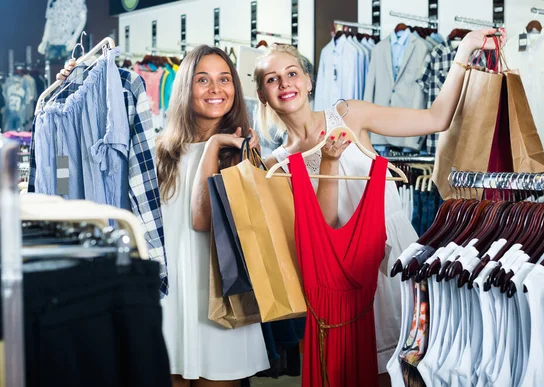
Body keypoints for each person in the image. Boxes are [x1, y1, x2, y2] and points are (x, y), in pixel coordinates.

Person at [254, 28, 507, 387]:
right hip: (342, 282)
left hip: (394, 259)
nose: (285, 83)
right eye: (272, 79)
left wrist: (464, 51)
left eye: (292, 73)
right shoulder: (277, 163)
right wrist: (326, 162)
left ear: (308, 81)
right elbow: (324, 227)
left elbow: (437, 118)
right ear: (263, 94)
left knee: (413, 368)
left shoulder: (350, 115)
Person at [58, 45, 268, 387]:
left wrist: (215, 147)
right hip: (168, 300)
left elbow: (204, 221)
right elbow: (90, 162)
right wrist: (71, 89)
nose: (216, 89)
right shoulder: (157, 151)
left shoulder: (243, 152)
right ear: (185, 87)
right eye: (203, 79)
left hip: (219, 300)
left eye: (224, 79)